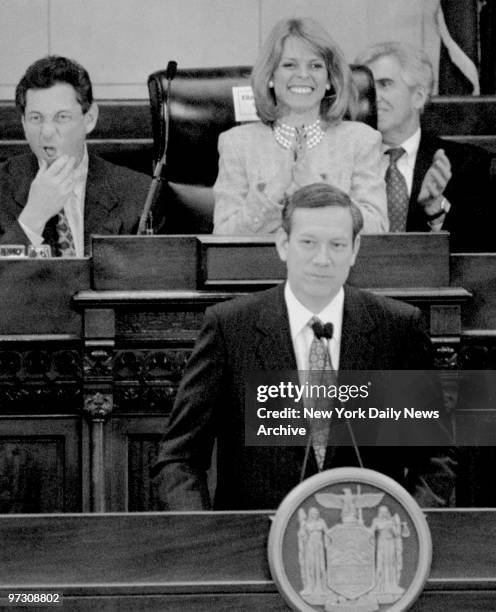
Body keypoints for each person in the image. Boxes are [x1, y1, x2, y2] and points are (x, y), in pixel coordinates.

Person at [153, 182, 455, 511]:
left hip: (364, 546)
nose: (322, 259)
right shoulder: (230, 327)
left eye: (337, 245)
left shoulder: (397, 328)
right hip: (253, 548)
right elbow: (179, 460)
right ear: (283, 244)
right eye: (308, 243)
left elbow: (434, 459)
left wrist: (404, 533)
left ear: (355, 250)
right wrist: (204, 542)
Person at [212, 17, 388, 236]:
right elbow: (222, 235)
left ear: (329, 79)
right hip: (260, 268)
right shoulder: (237, 144)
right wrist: (272, 195)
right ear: (271, 76)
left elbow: (377, 227)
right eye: (289, 65)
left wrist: (318, 190)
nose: (303, 75)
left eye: (315, 65)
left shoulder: (361, 140)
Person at [0, 56, 156, 256]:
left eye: (62, 117)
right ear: (23, 123)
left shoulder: (139, 193)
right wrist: (33, 217)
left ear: (89, 119)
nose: (47, 132)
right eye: (36, 118)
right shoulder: (3, 186)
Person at [355, 41, 494, 251]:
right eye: (367, 88)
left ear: (418, 97)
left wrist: (435, 208)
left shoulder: (468, 164)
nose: (373, 97)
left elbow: (479, 250)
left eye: (384, 84)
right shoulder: (344, 161)